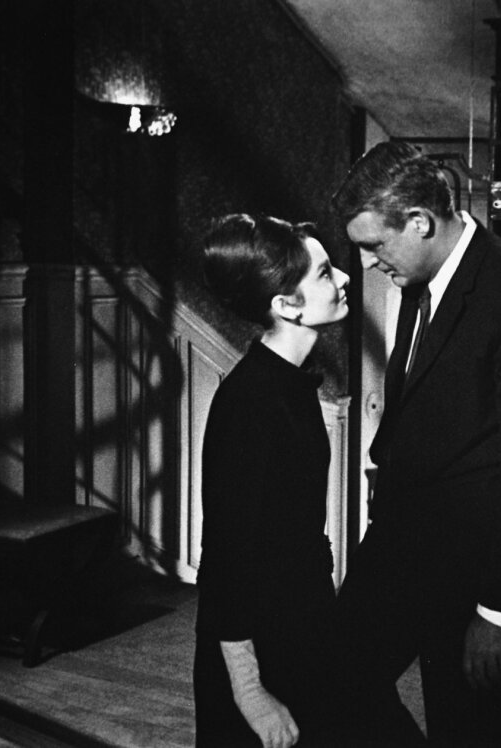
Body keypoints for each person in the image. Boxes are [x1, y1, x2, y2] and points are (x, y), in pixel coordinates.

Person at [331, 142, 501, 747]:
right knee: (333, 681)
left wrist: (499, 611)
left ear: (419, 222)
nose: (366, 264)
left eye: (374, 245)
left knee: (473, 733)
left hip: (476, 576)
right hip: (399, 550)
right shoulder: (417, 276)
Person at [193, 213, 352, 748]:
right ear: (287, 305)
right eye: (325, 272)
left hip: (298, 627)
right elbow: (225, 556)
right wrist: (249, 689)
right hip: (257, 646)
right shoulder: (251, 402)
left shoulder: (288, 383)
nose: (343, 278)